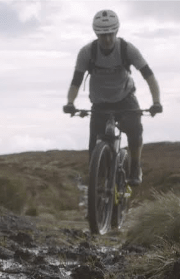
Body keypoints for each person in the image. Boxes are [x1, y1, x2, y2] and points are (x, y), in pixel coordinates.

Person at [63, 9, 162, 186]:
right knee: (94, 149)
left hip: (125, 98)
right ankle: (98, 190)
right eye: (102, 35)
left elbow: (149, 76)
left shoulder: (126, 49)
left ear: (116, 31)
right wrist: (70, 102)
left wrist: (156, 102)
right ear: (96, 33)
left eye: (110, 34)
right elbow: (76, 81)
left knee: (135, 131)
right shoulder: (87, 52)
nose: (107, 39)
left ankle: (135, 167)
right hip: (100, 102)